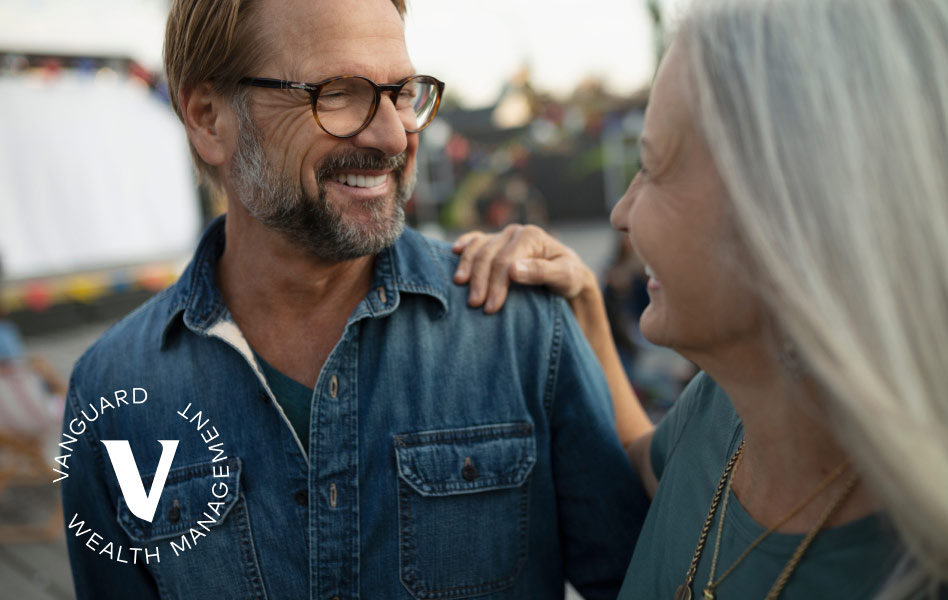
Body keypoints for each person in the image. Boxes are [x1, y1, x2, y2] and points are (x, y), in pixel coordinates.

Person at [58, 1, 647, 599]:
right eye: (338, 93)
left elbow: (640, 582)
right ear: (210, 119)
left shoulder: (520, 327)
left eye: (403, 92)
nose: (395, 135)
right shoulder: (113, 392)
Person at [454, 0, 948, 597]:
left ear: (791, 209)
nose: (620, 212)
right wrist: (585, 305)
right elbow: (645, 463)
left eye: (651, 167)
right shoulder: (725, 407)